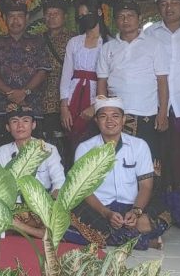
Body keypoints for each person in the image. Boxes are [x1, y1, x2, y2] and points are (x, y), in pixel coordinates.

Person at [64, 96, 170, 251]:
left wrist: (136, 211)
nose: (109, 121)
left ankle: (114, 237)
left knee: (164, 215)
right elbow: (83, 190)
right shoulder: (85, 148)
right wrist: (106, 213)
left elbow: (146, 186)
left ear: (123, 119)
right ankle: (142, 241)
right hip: (99, 209)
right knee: (71, 218)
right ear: (96, 120)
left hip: (131, 208)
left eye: (115, 116)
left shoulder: (139, 146)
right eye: (103, 116)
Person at [143, 0, 180, 230]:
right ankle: (165, 208)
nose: (169, 8)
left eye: (173, 3)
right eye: (163, 4)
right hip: (159, 104)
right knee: (161, 157)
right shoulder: (149, 33)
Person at [96, 0, 169, 169]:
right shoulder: (108, 48)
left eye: (130, 16)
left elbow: (162, 81)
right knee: (117, 162)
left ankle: (147, 195)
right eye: (121, 16)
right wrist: (102, 110)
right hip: (115, 115)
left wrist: (163, 113)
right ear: (115, 21)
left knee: (146, 161)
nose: (125, 20)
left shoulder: (154, 45)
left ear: (140, 19)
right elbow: (102, 82)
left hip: (146, 113)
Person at [0, 0, 51, 151]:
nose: (15, 20)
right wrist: (10, 93)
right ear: (4, 18)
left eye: (19, 16)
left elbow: (42, 71)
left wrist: (25, 92)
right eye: (11, 16)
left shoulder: (38, 42)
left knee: (34, 154)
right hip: (3, 109)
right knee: (4, 153)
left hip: (32, 107)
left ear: (26, 18)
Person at [0, 107, 65, 237]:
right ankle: (35, 232)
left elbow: (59, 183)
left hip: (42, 206)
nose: (20, 125)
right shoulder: (1, 153)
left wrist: (50, 206)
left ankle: (20, 228)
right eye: (14, 121)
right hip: (13, 208)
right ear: (8, 127)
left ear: (34, 125)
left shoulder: (48, 149)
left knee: (61, 217)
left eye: (25, 121)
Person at [59, 0, 108, 168]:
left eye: (88, 13)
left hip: (98, 100)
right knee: (73, 146)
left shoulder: (108, 43)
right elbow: (66, 75)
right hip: (74, 99)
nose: (84, 18)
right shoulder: (74, 42)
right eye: (81, 15)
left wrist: (95, 106)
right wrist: (64, 106)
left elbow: (110, 81)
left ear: (99, 13)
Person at [38, 0, 71, 160]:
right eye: (48, 14)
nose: (51, 17)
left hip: (66, 103)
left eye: (55, 14)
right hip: (41, 101)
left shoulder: (73, 39)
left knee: (63, 146)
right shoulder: (37, 40)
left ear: (64, 16)